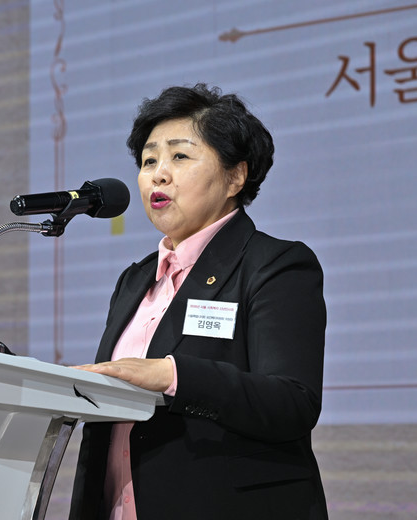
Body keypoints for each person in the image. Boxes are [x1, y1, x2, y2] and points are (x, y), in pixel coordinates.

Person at [69, 83, 328, 519]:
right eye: (149, 160)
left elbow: (292, 401)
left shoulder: (275, 265)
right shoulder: (135, 280)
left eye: (179, 156)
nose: (158, 174)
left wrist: (172, 375)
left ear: (235, 177)